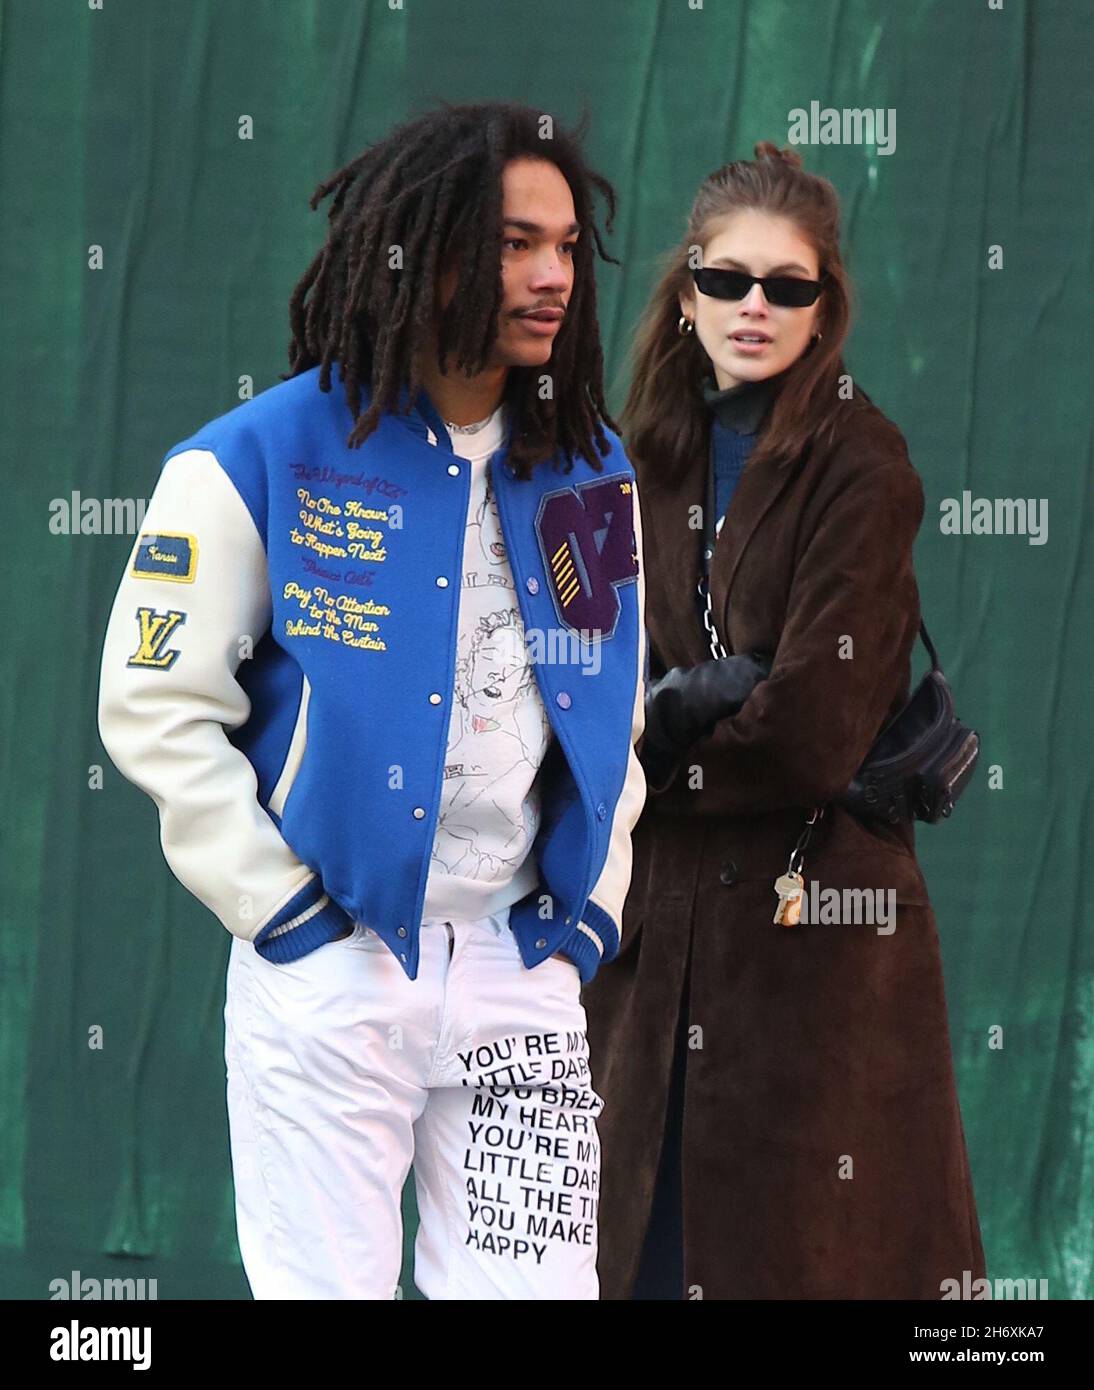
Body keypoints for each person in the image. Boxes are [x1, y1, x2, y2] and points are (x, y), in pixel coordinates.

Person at [96, 101, 647, 1301]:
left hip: (521, 973)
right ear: (425, 244)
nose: (554, 275)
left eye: (565, 246)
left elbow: (613, 715)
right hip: (329, 963)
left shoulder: (588, 464)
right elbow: (154, 704)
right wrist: (281, 912)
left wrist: (587, 912)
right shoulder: (254, 457)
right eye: (514, 242)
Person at [582, 141, 986, 1299]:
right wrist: (690, 702)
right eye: (727, 279)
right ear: (688, 287)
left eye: (786, 286)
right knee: (637, 1262)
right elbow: (584, 694)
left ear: (823, 306)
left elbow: (812, 729)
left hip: (810, 945)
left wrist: (656, 742)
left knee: (809, 1262)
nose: (752, 306)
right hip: (649, 953)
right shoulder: (628, 459)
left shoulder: (864, 463)